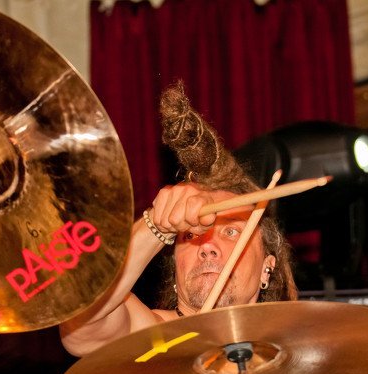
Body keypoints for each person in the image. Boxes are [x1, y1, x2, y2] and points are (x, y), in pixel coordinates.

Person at [59, 83, 298, 357]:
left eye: (231, 232)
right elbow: (81, 324)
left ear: (267, 267)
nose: (208, 247)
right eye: (191, 235)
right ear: (175, 265)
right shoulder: (152, 337)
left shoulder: (298, 347)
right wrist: (156, 226)